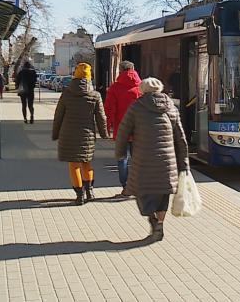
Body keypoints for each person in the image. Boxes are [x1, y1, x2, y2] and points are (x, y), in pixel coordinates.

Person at [115, 77, 189, 242]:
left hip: (143, 162)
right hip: (166, 164)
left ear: (142, 90)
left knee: (142, 194)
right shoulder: (171, 107)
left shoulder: (136, 107)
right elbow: (181, 138)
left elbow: (123, 132)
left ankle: (153, 221)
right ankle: (160, 225)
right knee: (163, 196)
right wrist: (184, 163)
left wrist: (120, 153)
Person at [53, 63, 108, 205]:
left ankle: (79, 196)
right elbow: (101, 117)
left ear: (75, 75)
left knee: (74, 165)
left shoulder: (66, 93)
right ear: (90, 76)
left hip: (68, 134)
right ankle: (89, 191)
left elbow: (58, 115)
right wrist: (104, 133)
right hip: (87, 134)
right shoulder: (95, 95)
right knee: (86, 163)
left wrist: (55, 133)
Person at [104, 60, 142, 197]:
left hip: (122, 130)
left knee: (122, 159)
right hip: (139, 131)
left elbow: (109, 110)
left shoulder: (115, 88)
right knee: (138, 159)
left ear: (120, 71)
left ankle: (126, 188)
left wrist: (107, 128)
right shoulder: (141, 88)